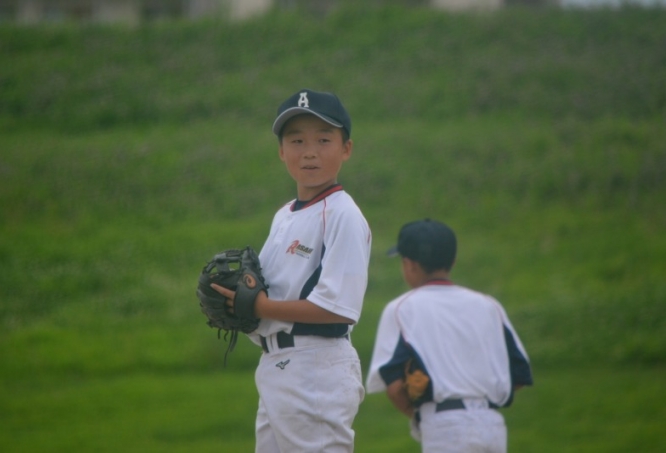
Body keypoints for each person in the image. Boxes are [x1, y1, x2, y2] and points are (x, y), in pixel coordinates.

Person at [212, 89, 371, 453]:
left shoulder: (342, 214)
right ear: (282, 151)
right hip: (277, 364)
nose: (309, 152)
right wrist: (241, 302)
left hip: (315, 366)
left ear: (346, 148)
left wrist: (259, 307)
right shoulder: (285, 215)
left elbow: (338, 309)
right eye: (296, 140)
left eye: (323, 140)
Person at [365, 219, 533, 453]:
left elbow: (394, 387)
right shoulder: (489, 305)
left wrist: (423, 415)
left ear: (409, 265)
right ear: (452, 261)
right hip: (492, 426)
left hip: (446, 428)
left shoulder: (401, 309)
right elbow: (520, 374)